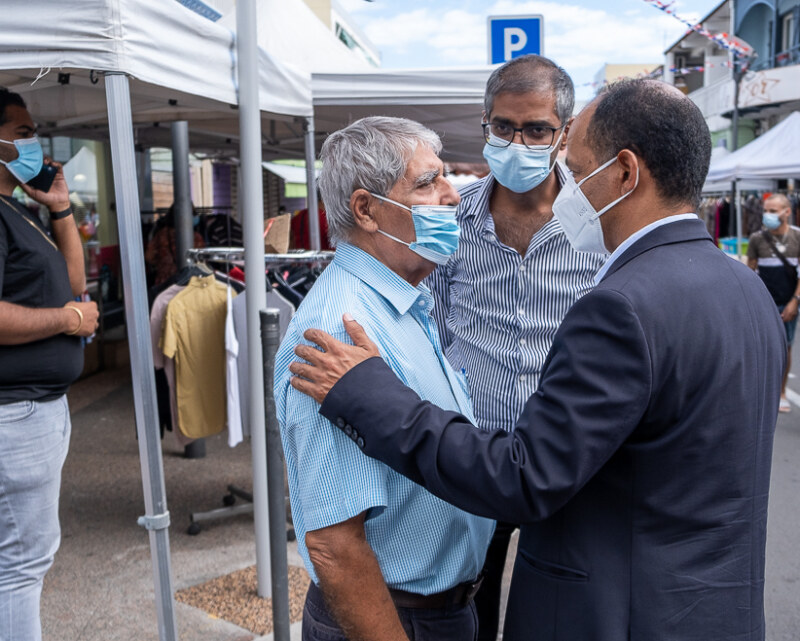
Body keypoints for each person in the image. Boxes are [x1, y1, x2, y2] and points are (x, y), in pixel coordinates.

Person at [288, 80, 785, 641]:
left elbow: (525, 477)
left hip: (621, 613)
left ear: (624, 174)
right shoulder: (748, 292)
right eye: (430, 183)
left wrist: (369, 394)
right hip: (712, 611)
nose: (562, 187)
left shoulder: (622, 306)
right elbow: (333, 540)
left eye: (573, 169)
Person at [273, 116, 494, 641]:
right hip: (393, 619)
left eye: (445, 178)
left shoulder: (402, 301)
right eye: (426, 183)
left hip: (437, 609)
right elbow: (336, 545)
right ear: (366, 209)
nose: (451, 197)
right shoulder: (339, 330)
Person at [426, 54, 604, 640]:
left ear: (565, 132)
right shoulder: (452, 221)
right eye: (503, 127)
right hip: (474, 454)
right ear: (485, 123)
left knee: (559, 615)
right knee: (465, 610)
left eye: (536, 130)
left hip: (567, 459)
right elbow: (427, 322)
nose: (518, 141)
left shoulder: (599, 226)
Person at [0, 88, 99, 641]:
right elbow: (70, 305)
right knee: (20, 568)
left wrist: (59, 207)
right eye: (22, 132)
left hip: (32, 412)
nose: (34, 142)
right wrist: (66, 321)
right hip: (16, 416)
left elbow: (75, 284)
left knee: (17, 562)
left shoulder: (17, 209)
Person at [747, 193, 800, 413]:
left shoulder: (797, 237)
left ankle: (781, 392)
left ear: (787, 212)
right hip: (763, 303)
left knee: (785, 346)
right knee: (760, 346)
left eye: (773, 211)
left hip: (788, 302)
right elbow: (750, 271)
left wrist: (794, 302)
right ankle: (760, 389)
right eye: (766, 211)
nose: (767, 215)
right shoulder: (757, 239)